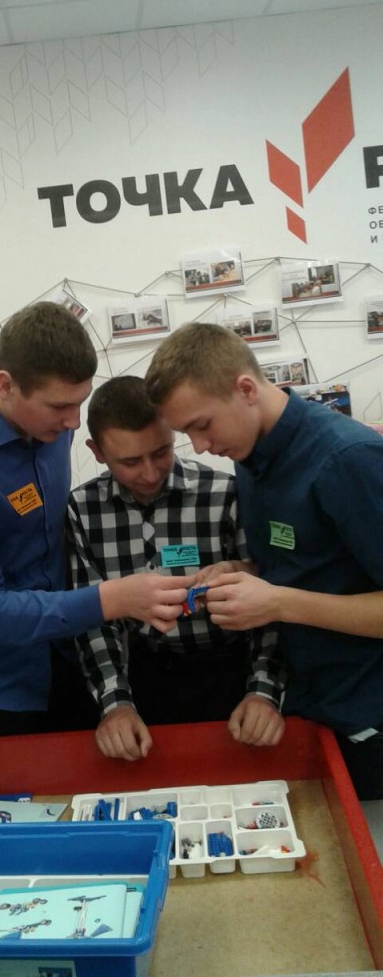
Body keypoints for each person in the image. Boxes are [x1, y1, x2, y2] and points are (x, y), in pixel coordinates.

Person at [0, 302, 189, 739]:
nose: (73, 421)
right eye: (59, 406)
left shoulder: (54, 427)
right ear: (6, 385)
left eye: (80, 402)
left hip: (67, 662)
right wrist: (112, 598)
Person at [145, 321, 383, 800]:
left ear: (247, 389)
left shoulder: (349, 459)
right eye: (186, 433)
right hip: (312, 709)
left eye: (202, 425)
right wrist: (246, 574)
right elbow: (310, 562)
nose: (200, 447)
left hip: (370, 721)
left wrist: (276, 603)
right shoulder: (251, 455)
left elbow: (292, 596)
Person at [67, 376, 284, 761]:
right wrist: (115, 704)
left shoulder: (224, 495)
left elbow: (268, 604)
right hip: (141, 678)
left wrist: (263, 691)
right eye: (130, 462)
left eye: (161, 451)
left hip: (227, 674)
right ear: (96, 452)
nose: (150, 473)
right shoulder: (82, 510)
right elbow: (94, 620)